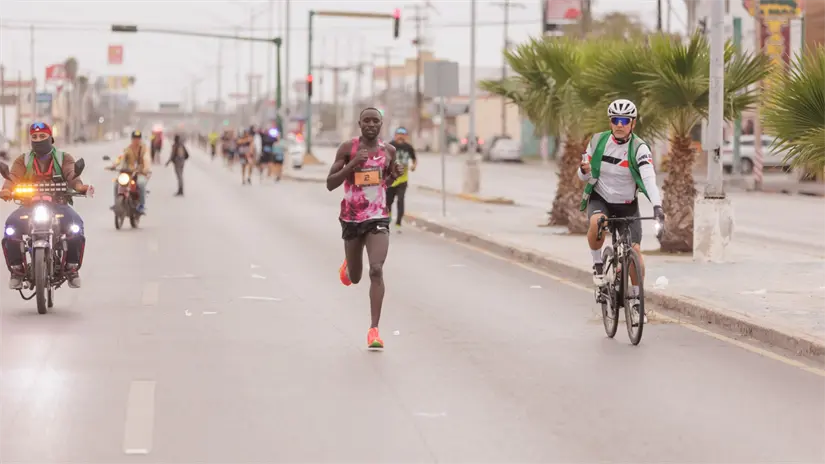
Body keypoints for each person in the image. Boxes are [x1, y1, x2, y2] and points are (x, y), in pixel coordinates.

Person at [577, 99, 665, 323]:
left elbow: (649, 179)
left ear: (633, 123)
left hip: (627, 203)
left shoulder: (639, 148)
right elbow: (584, 175)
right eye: (616, 120)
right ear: (610, 121)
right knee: (597, 222)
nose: (620, 124)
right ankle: (598, 265)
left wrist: (657, 206)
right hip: (601, 199)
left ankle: (635, 302)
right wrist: (583, 171)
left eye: (625, 120)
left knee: (636, 253)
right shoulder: (598, 141)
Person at [326, 107, 404, 349]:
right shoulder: (348, 149)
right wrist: (352, 165)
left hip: (378, 217)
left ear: (381, 124)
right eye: (367, 121)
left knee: (377, 270)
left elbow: (384, 182)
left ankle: (374, 330)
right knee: (356, 277)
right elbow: (330, 184)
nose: (371, 124)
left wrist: (395, 175)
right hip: (351, 218)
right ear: (360, 124)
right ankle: (349, 265)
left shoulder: (388, 151)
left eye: (376, 121)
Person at [0, 122, 94, 289]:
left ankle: (72, 267)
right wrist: (6, 190)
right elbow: (13, 177)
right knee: (11, 227)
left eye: (42, 136)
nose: (38, 140)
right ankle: (17, 269)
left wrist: (80, 187)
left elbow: (71, 174)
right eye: (34, 137)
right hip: (29, 206)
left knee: (76, 226)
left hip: (58, 205)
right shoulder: (23, 160)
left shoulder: (63, 158)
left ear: (51, 138)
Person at [108, 130, 151, 214]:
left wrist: (146, 168)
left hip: (140, 173)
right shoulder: (128, 149)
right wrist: (114, 165)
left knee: (141, 184)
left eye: (138, 138)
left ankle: (141, 205)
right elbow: (121, 158)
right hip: (128, 172)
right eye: (134, 138)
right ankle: (116, 203)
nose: (136, 140)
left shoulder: (144, 149)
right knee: (117, 184)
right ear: (132, 139)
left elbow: (147, 160)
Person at [387, 127, 417, 233]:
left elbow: (414, 159)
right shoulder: (390, 146)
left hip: (403, 179)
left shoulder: (408, 147)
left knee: (400, 200)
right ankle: (388, 217)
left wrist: (413, 166)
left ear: (406, 136)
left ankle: (399, 222)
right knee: (388, 202)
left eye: (403, 135)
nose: (400, 137)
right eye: (398, 134)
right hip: (391, 179)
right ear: (395, 136)